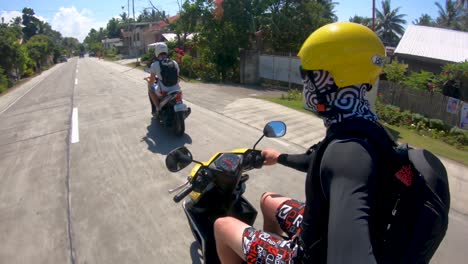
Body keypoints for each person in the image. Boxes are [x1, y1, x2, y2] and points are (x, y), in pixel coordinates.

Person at [213, 22, 398, 264]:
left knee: (222, 226)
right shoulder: (365, 129)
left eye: (306, 74)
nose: (304, 83)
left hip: (307, 256)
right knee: (268, 200)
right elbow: (319, 161)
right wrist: (279, 157)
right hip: (322, 229)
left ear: (329, 80)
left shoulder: (348, 154)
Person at [145, 42, 181, 117]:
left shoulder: (154, 64)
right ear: (166, 51)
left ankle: (158, 108)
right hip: (176, 89)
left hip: (163, 91)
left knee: (150, 89)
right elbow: (178, 79)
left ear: (156, 52)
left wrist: (148, 81)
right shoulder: (174, 63)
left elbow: (152, 82)